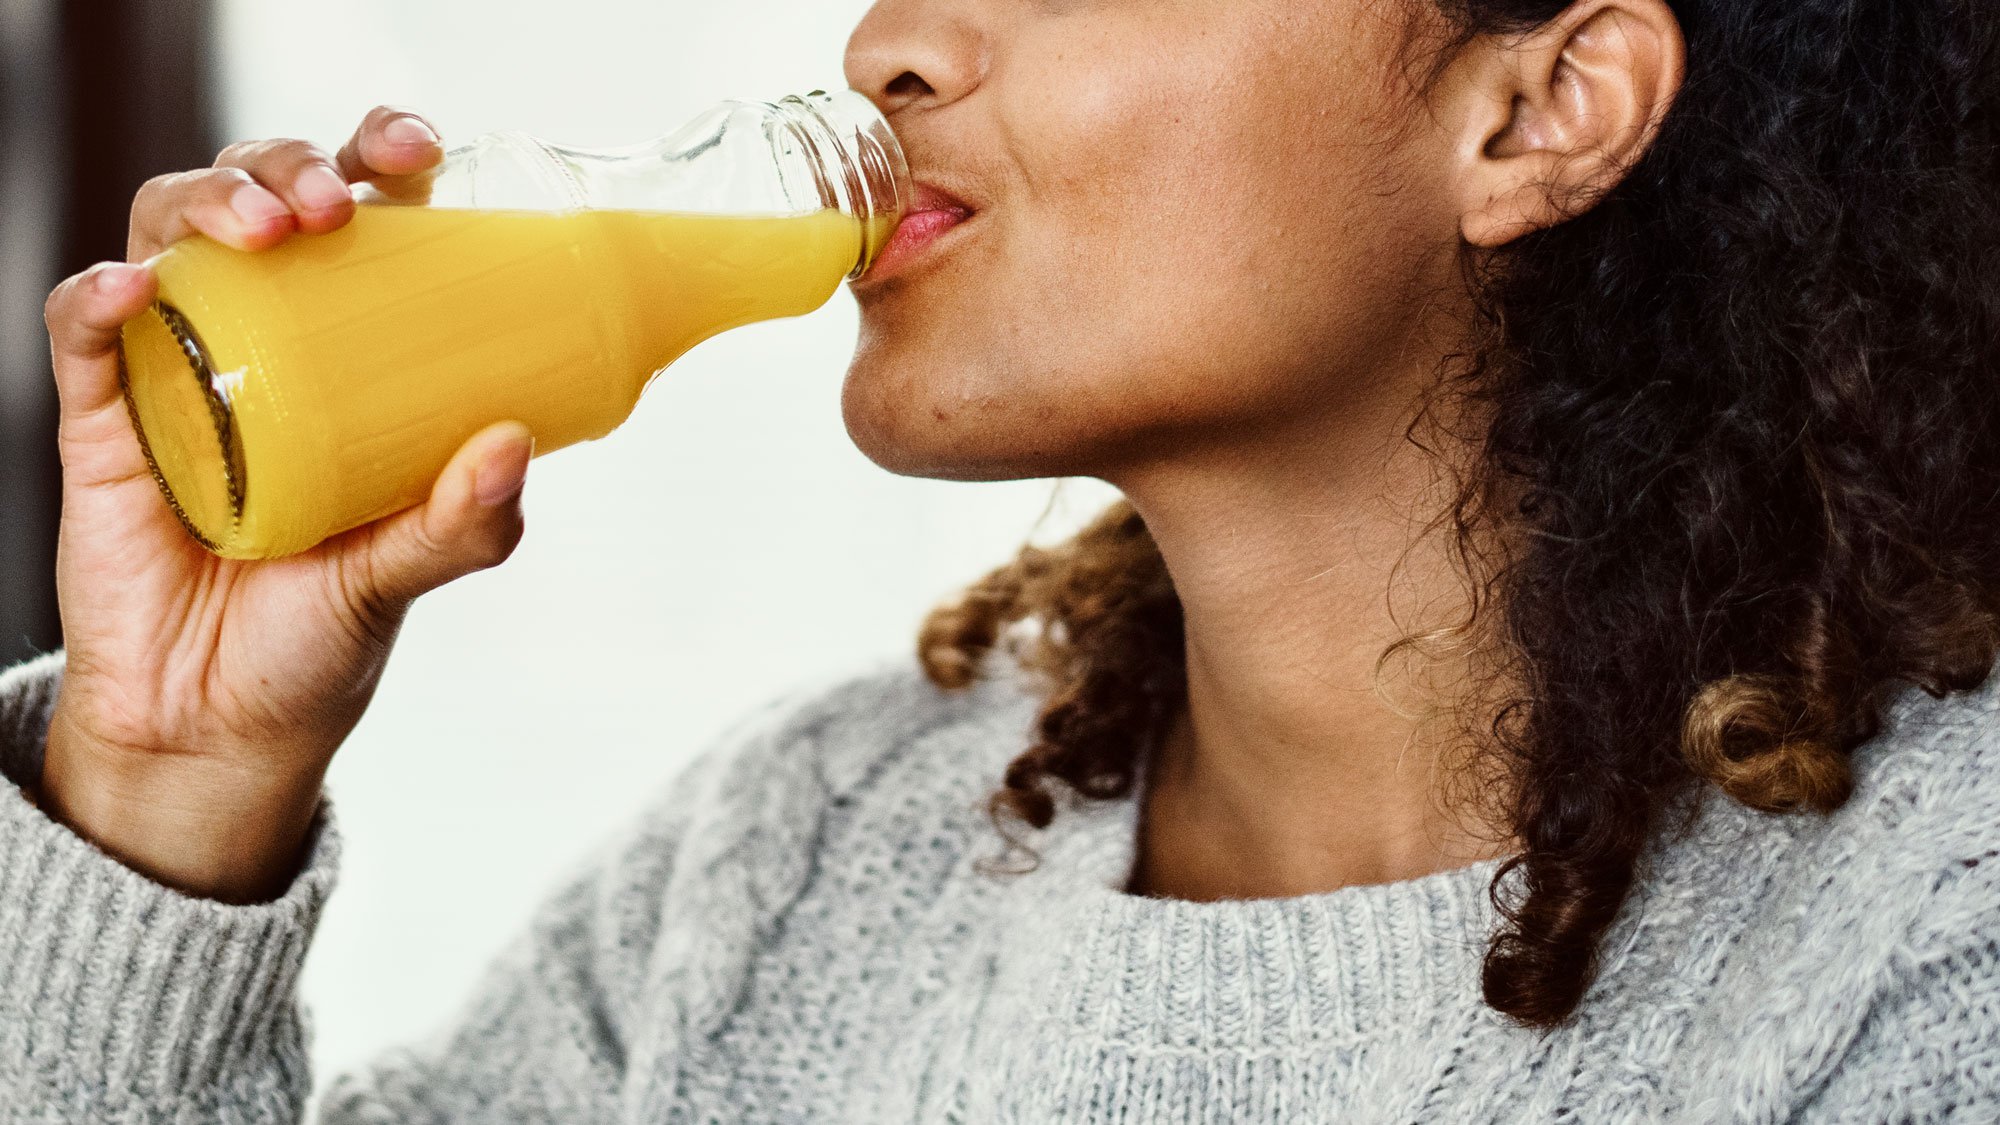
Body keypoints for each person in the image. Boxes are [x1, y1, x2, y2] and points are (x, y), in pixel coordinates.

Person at [3, 0, 1997, 1119]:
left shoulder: (1930, 955)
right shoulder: (799, 863)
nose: (889, 42)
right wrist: (168, 776)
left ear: (1540, 108)